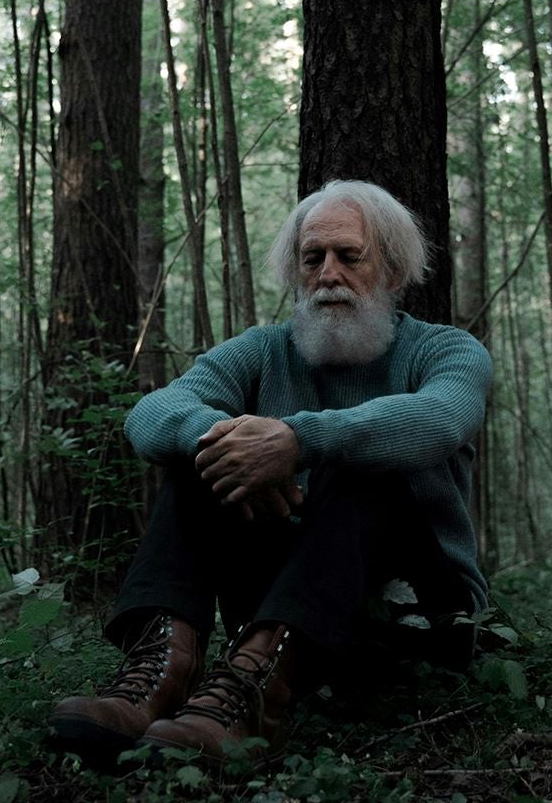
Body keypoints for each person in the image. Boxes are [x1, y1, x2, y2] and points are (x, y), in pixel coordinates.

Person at [47, 179, 493, 771]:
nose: (329, 273)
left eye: (349, 256)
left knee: (361, 462)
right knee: (204, 454)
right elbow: (151, 414)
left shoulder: (447, 351)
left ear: (391, 270)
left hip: (416, 612)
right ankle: (162, 676)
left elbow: (440, 419)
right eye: (313, 258)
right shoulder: (262, 351)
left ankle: (256, 697)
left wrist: (296, 441)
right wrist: (224, 444)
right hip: (284, 614)